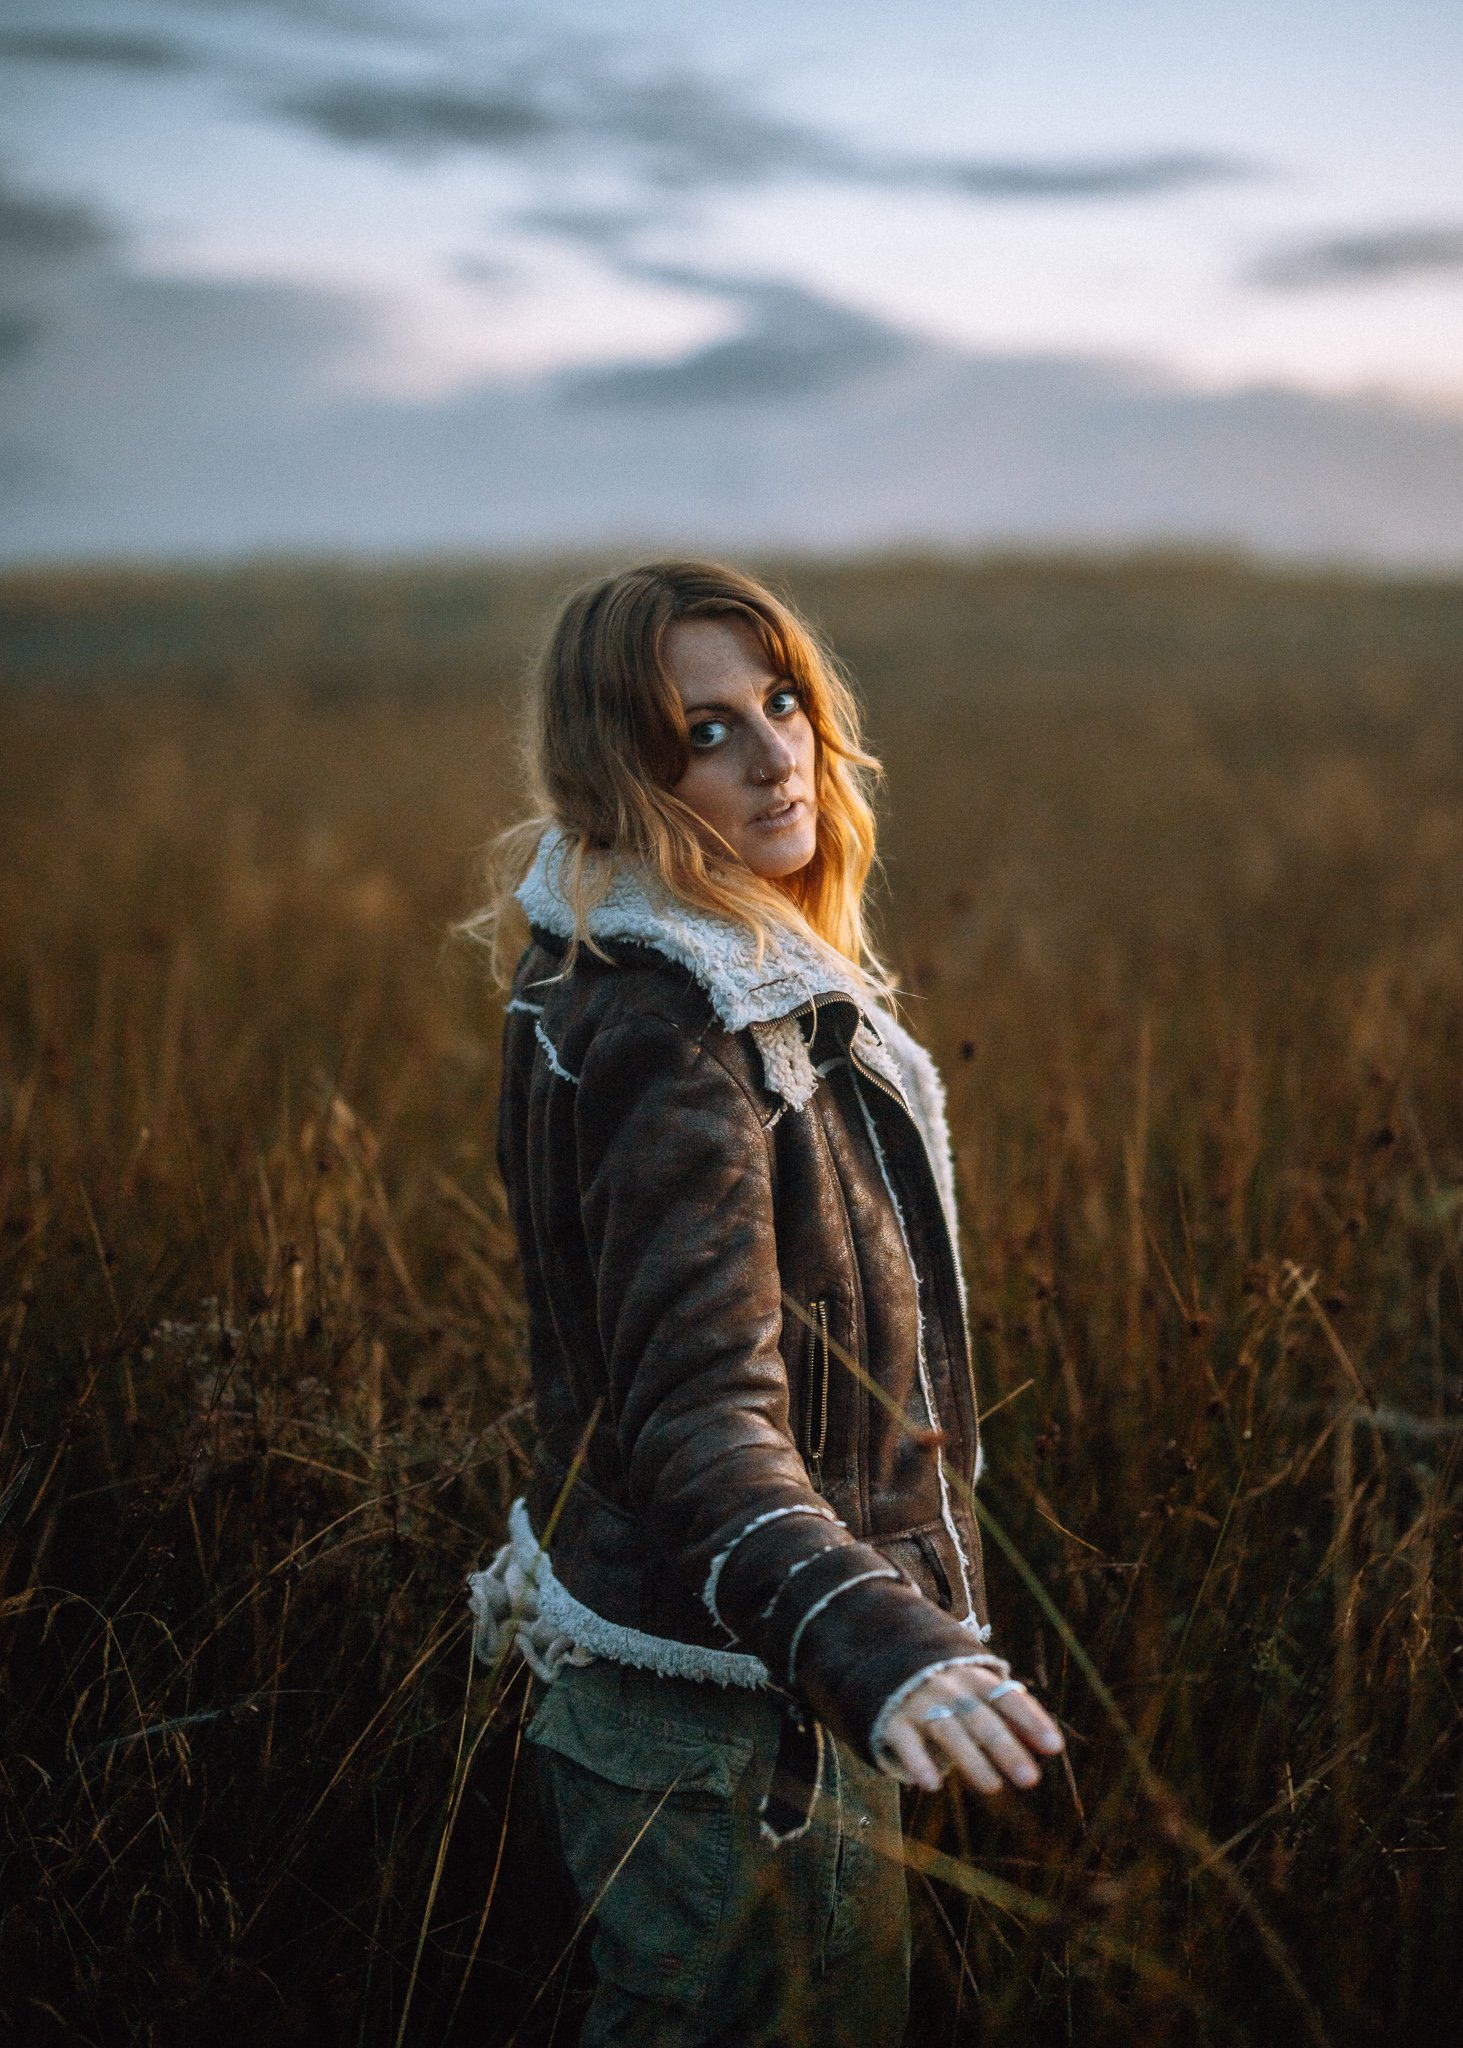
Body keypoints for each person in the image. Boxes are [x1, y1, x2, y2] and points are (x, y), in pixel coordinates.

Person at [466, 560, 1064, 2045]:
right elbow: (695, 1429)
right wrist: (877, 1640)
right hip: (732, 1733)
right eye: (707, 731)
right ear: (625, 771)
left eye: (780, 701)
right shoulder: (683, 1031)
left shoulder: (637, 971)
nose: (777, 751)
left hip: (721, 1697)